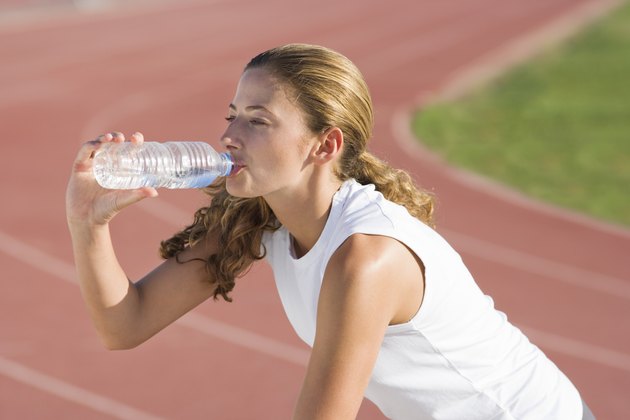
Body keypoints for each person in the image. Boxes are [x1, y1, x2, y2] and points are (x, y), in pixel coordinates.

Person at [66, 43, 593, 420]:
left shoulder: (366, 258)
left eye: (257, 120)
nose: (228, 136)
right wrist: (88, 222)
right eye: (231, 115)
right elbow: (125, 327)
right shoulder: (261, 217)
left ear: (324, 145)